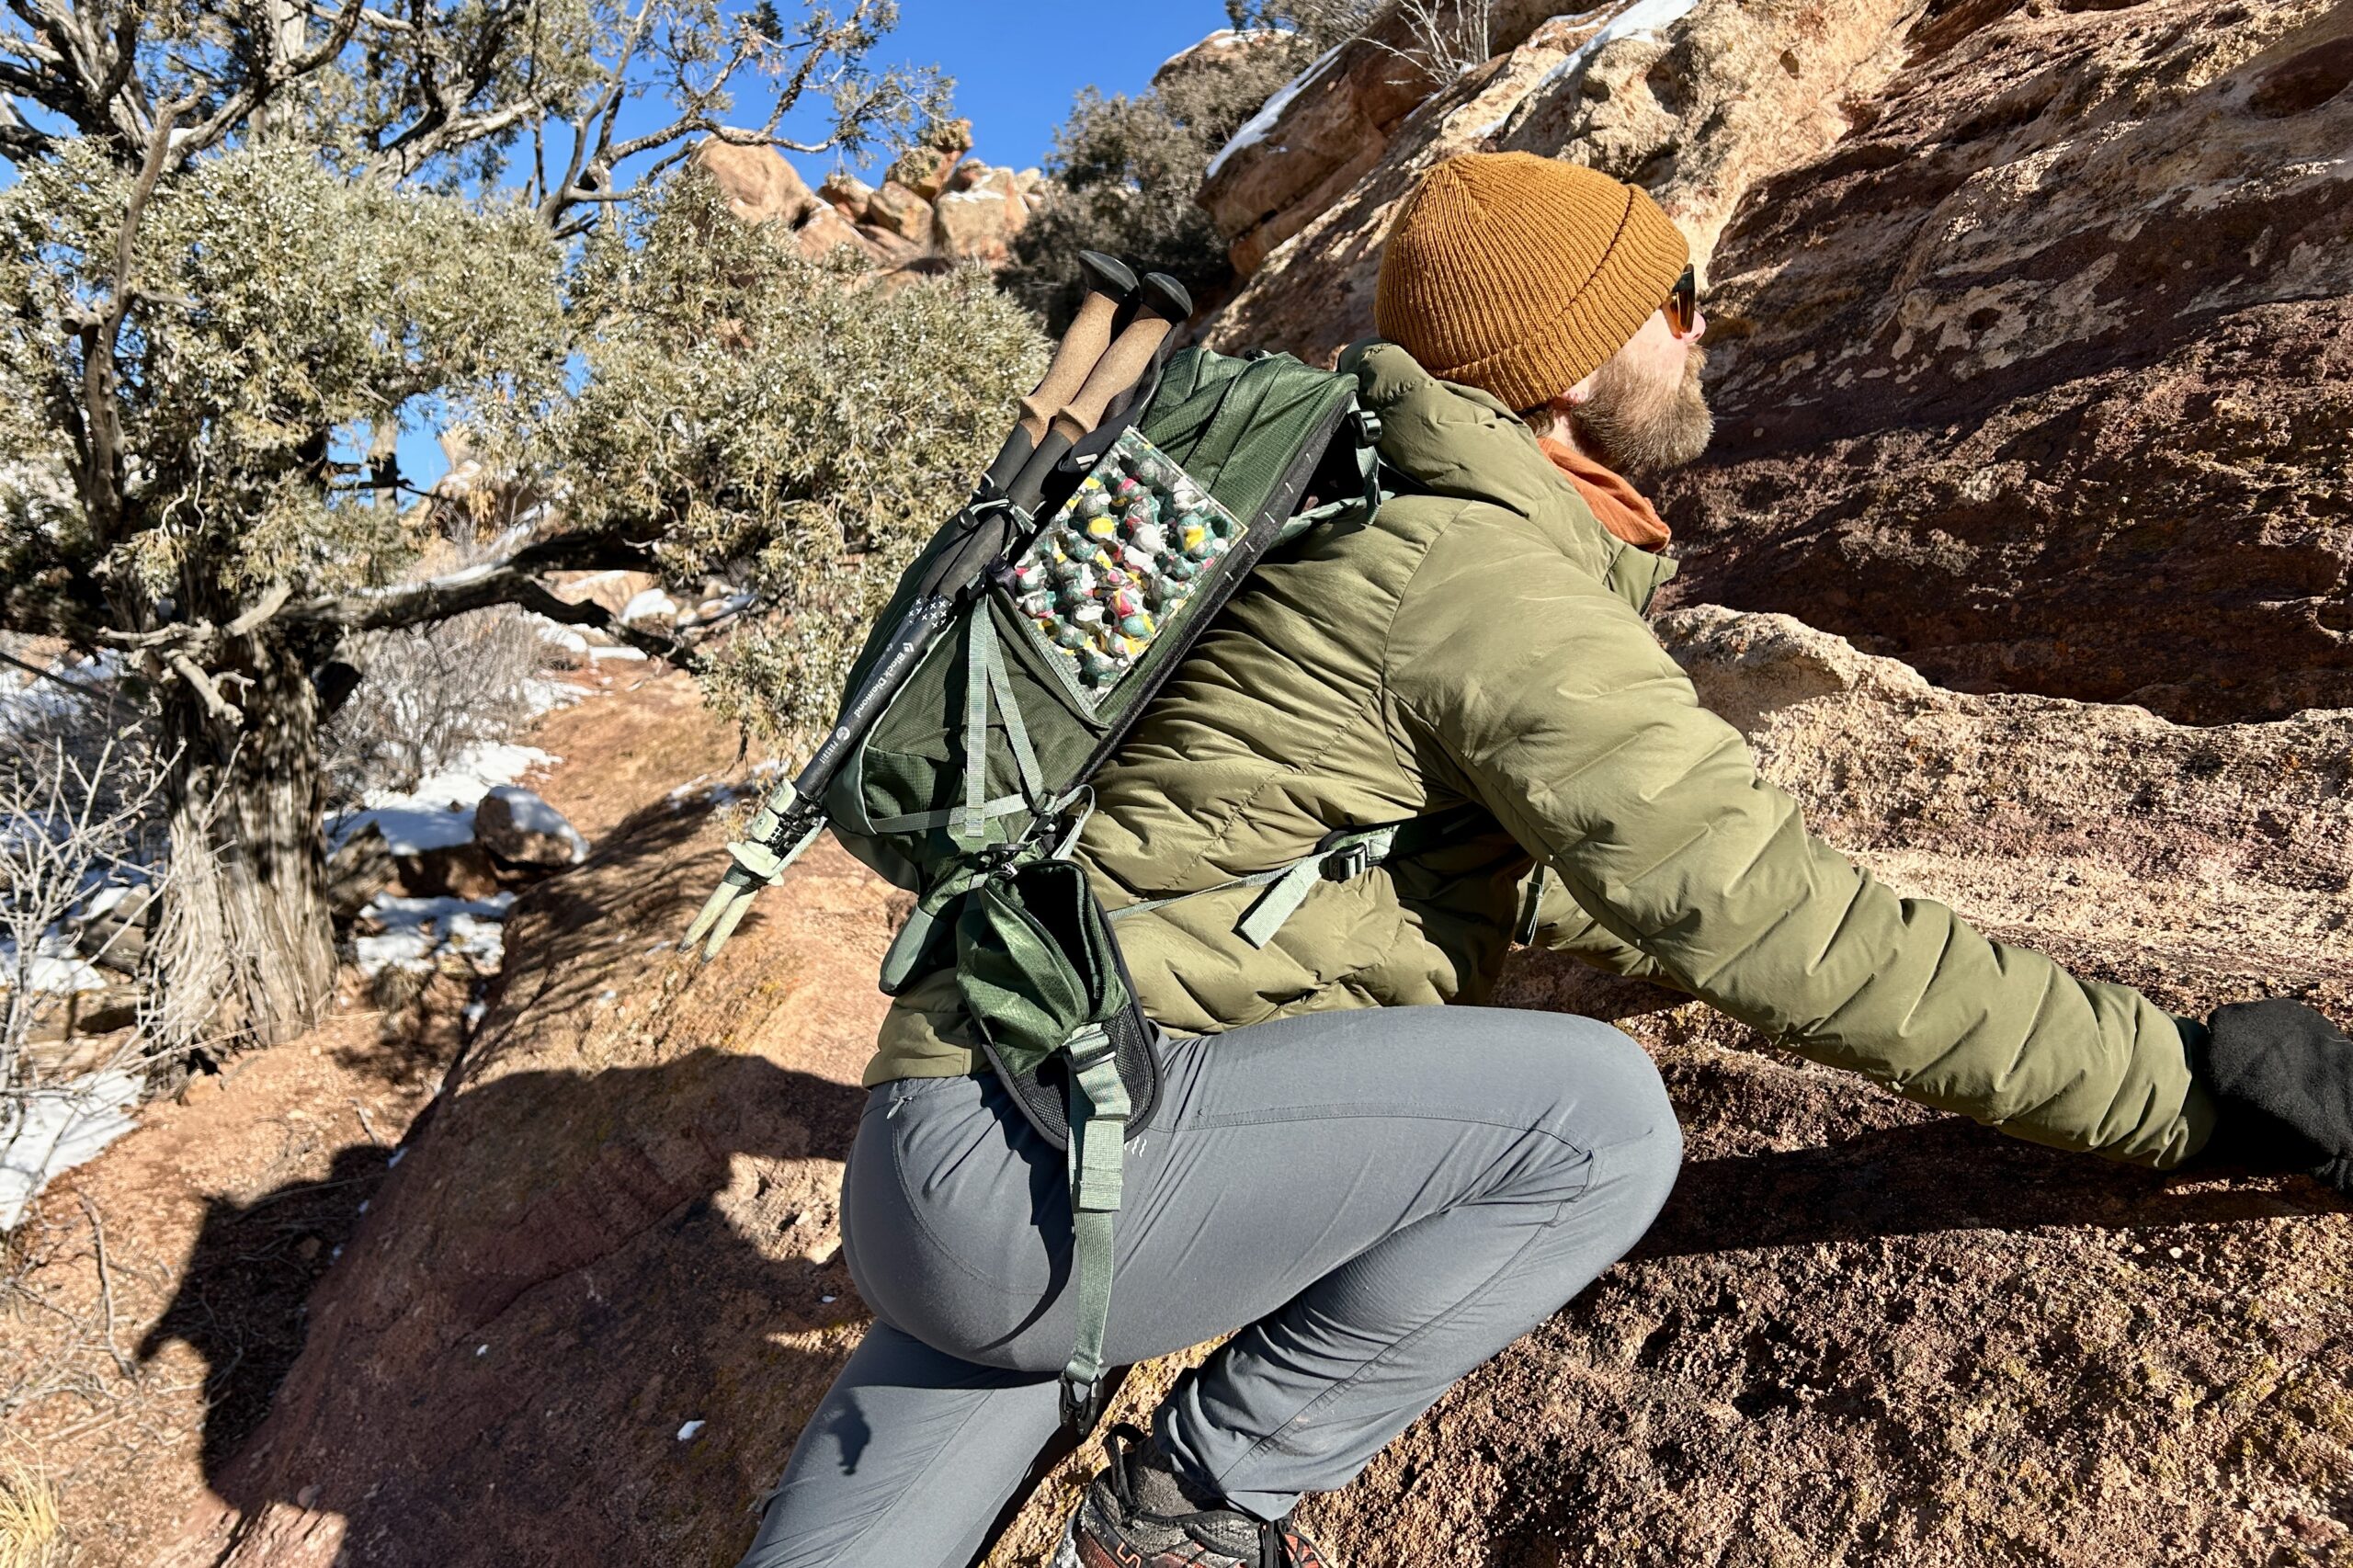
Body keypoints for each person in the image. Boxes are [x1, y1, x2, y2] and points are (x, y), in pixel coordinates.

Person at [737, 151, 2353, 1568]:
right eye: (1678, 297)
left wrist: (1699, 930)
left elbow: (1578, 893)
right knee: (1592, 1122)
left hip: (949, 1155)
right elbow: (1765, 922)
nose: (1703, 324)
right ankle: (1191, 1511)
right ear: (1570, 369)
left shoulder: (1356, 515)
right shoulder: (1478, 573)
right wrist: (2182, 1086)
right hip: (1063, 1179)